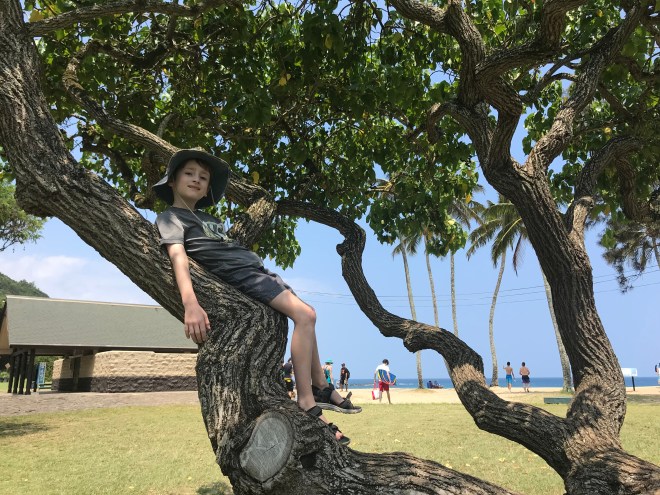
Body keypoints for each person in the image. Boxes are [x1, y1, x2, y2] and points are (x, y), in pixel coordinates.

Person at [154, 149, 361, 445]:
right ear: (172, 181)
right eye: (189, 173)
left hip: (258, 271)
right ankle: (306, 399)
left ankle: (319, 384)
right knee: (306, 316)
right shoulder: (170, 217)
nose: (196, 179)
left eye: (203, 177)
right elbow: (179, 258)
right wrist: (191, 303)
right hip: (243, 277)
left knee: (307, 313)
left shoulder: (209, 218)